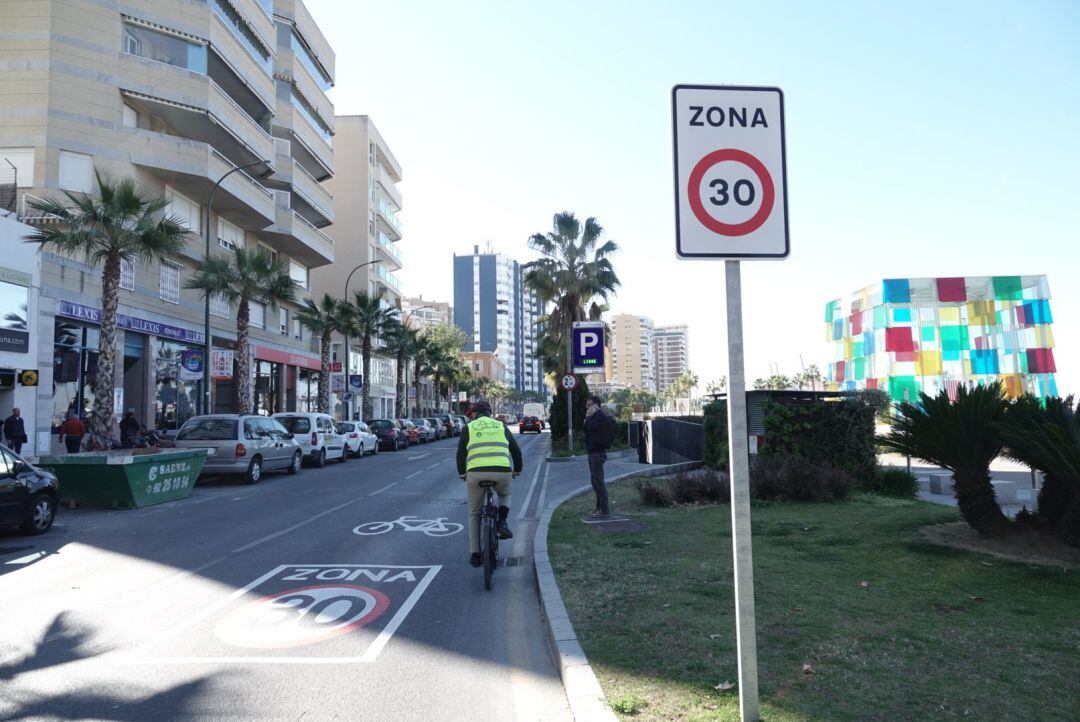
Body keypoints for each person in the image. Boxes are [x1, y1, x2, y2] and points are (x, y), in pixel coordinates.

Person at [456, 399, 523, 567]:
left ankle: (475, 554)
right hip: (502, 472)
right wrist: (517, 470)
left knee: (474, 513)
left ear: (476, 414)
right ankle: (502, 522)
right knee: (505, 493)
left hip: (476, 474)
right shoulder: (501, 426)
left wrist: (462, 473)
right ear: (489, 413)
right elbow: (515, 450)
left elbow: (460, 454)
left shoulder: (469, 428)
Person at [583, 395, 616, 518]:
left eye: (589, 404)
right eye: (587, 404)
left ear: (596, 405)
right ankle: (599, 507)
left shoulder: (599, 416)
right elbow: (587, 429)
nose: (587, 407)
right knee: (595, 482)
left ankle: (604, 509)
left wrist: (587, 418)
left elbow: (591, 427)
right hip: (593, 452)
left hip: (597, 453)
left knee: (598, 482)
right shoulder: (595, 416)